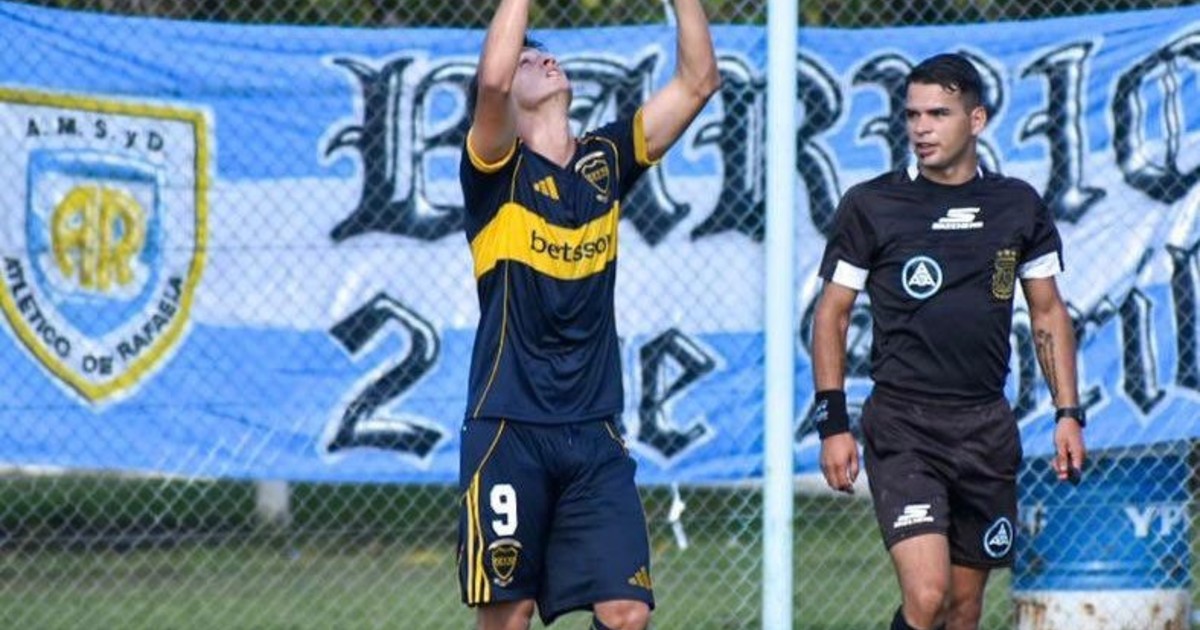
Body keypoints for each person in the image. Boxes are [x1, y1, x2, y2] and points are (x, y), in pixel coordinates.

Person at [455, 1, 719, 628]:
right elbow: (491, 82)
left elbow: (699, 81)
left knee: (628, 612)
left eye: (546, 53)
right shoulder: (495, 170)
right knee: (509, 615)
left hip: (594, 428)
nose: (543, 60)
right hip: (509, 426)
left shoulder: (605, 160)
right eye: (526, 59)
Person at [811, 52, 1087, 630]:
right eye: (913, 115)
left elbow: (1047, 312)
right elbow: (831, 315)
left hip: (985, 428)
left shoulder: (1017, 205)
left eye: (938, 114)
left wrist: (1068, 413)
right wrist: (833, 423)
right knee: (928, 595)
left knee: (963, 610)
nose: (921, 128)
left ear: (976, 120)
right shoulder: (873, 205)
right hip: (904, 426)